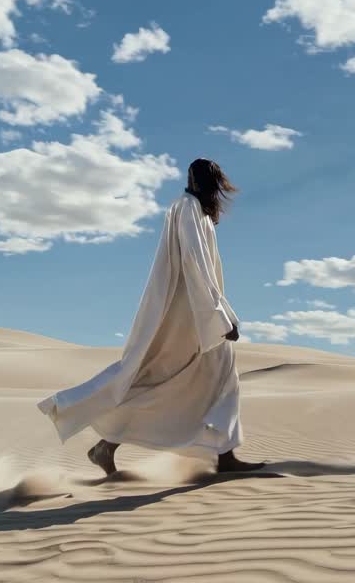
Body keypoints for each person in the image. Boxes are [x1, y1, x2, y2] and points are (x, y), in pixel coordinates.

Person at [38, 158, 265, 475]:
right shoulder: (187, 209)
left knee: (198, 380)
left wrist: (219, 314)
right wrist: (220, 317)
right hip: (190, 318)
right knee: (180, 379)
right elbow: (196, 266)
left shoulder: (190, 209)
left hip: (196, 315)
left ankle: (110, 446)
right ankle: (220, 459)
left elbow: (201, 268)